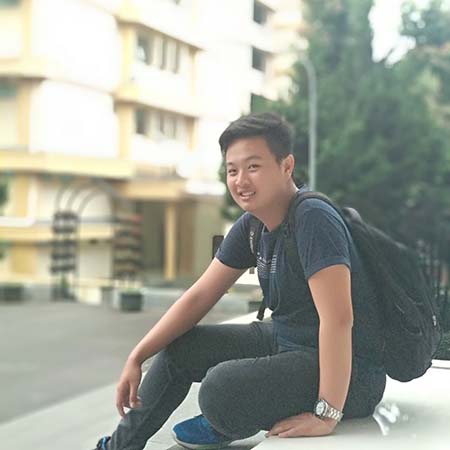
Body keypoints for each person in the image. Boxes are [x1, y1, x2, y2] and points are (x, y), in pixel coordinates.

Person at [92, 112, 386, 450]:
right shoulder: (252, 225)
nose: (241, 180)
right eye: (233, 170)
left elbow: (339, 320)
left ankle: (229, 417)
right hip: (287, 342)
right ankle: (119, 446)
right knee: (180, 349)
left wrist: (326, 414)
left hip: (353, 375)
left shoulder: (313, 219)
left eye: (253, 167)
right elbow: (199, 296)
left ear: (287, 166)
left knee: (220, 390)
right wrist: (138, 356)